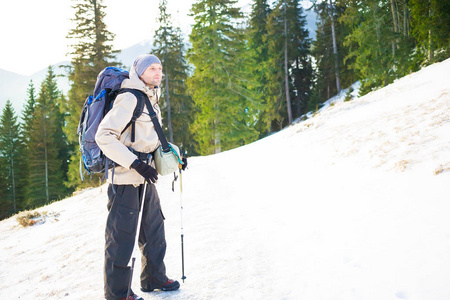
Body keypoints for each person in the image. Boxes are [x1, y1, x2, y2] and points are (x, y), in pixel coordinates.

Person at [96, 54, 184, 300]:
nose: (158, 73)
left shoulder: (149, 96)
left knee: (153, 229)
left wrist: (173, 156)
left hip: (144, 177)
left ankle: (154, 278)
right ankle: (118, 294)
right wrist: (135, 163)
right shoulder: (129, 98)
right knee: (121, 238)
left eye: (160, 68)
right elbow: (105, 136)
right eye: (152, 69)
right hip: (124, 179)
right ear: (139, 72)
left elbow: (148, 138)